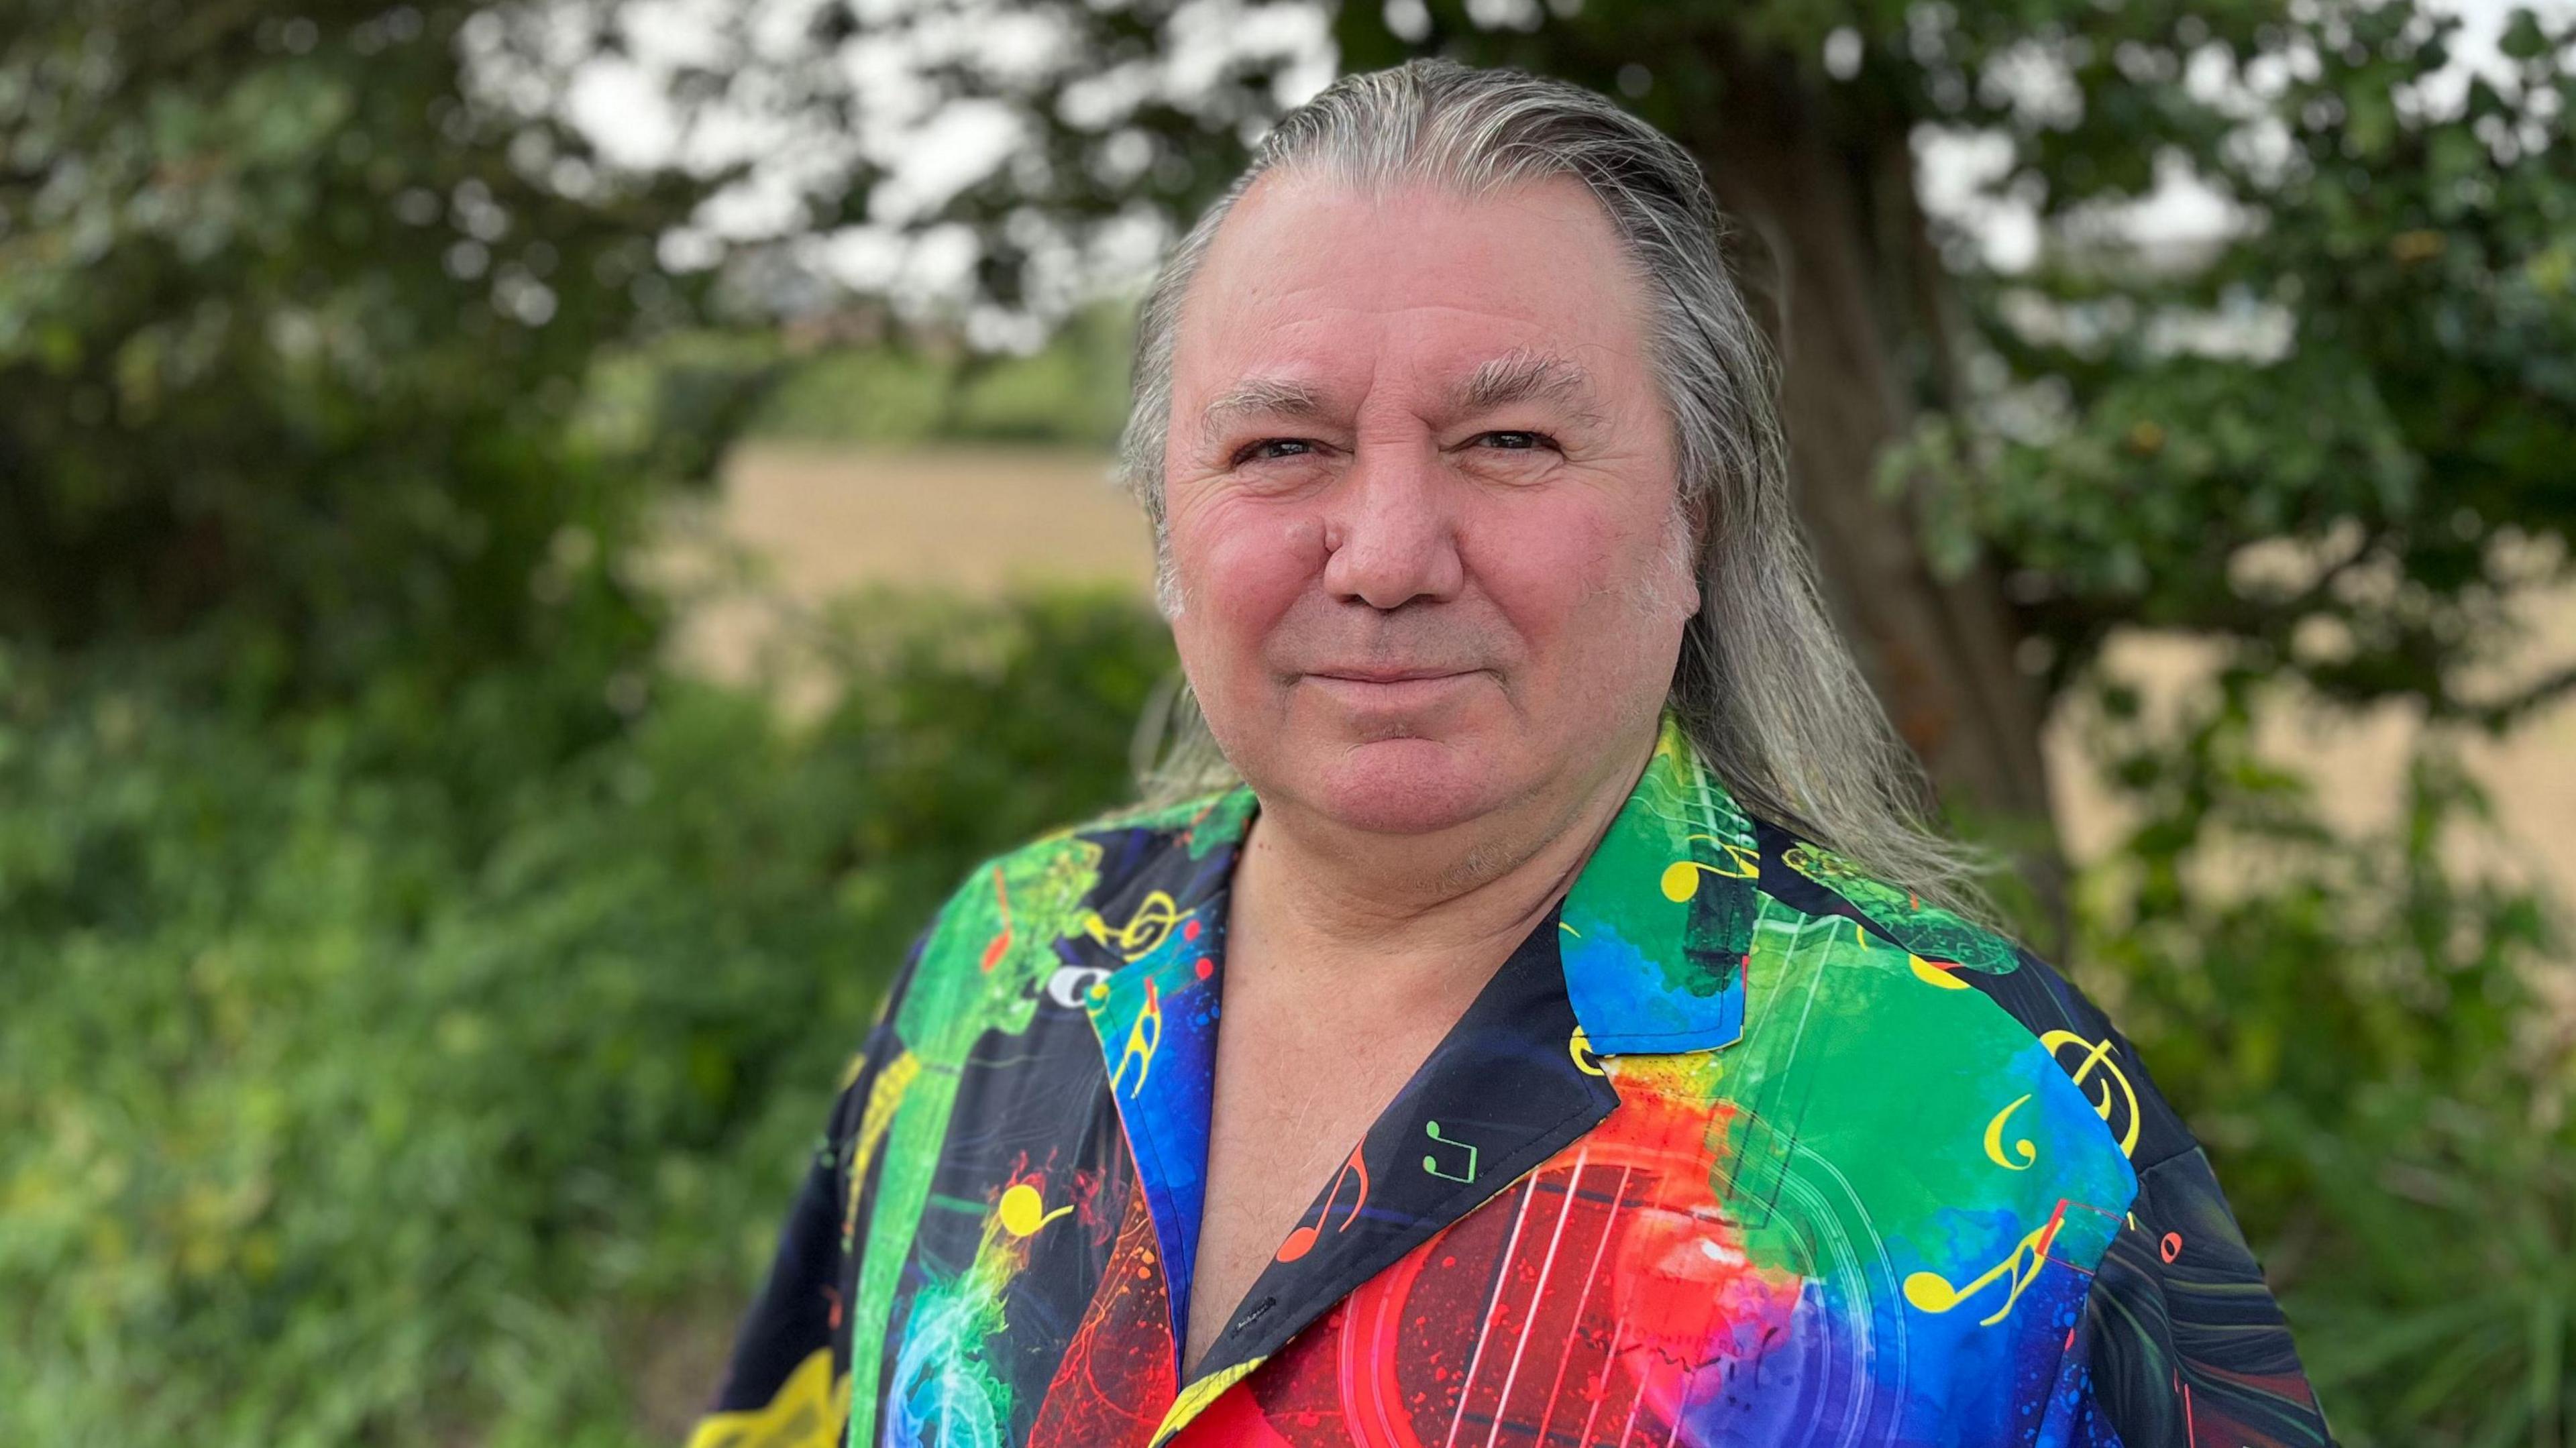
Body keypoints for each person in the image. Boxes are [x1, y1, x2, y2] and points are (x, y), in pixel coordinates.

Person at [688, 58, 2331, 1448]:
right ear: (1166, 532)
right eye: (1280, 447)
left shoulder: (1996, 1127)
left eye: (1510, 442)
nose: (1388, 551)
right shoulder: (1003, 960)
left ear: (1694, 519)